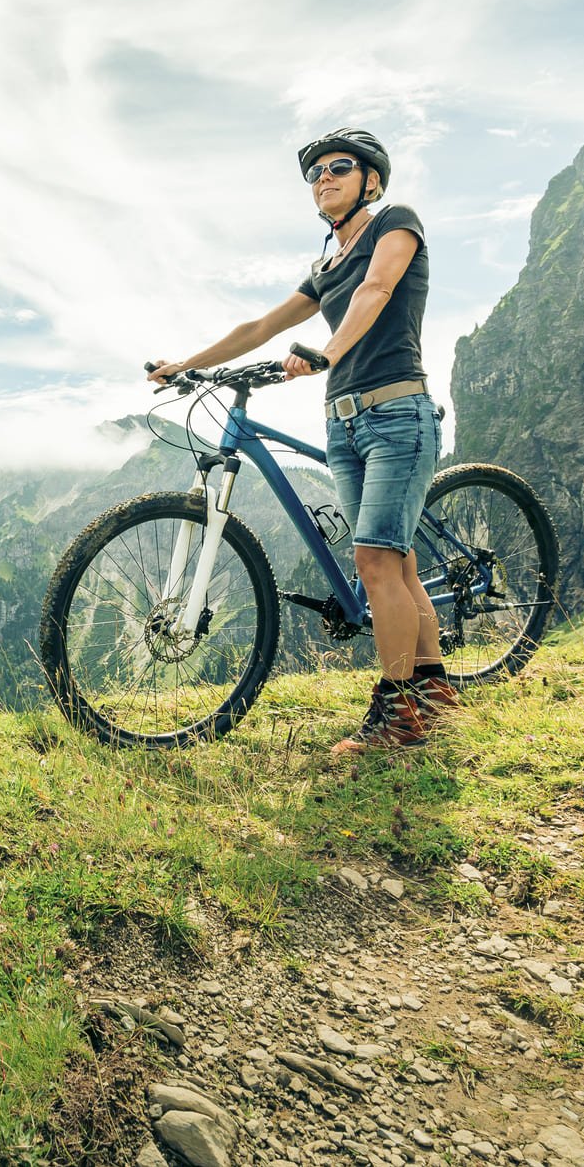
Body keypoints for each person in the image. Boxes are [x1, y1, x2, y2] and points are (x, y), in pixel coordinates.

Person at [148, 128, 454, 753]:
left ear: (371, 179)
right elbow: (261, 326)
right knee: (395, 562)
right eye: (314, 173)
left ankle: (398, 717)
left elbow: (378, 290)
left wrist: (327, 349)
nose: (324, 178)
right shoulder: (325, 265)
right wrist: (186, 363)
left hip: (398, 412)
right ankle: (434, 688)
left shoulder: (396, 221)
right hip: (343, 424)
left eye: (339, 167)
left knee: (373, 562)